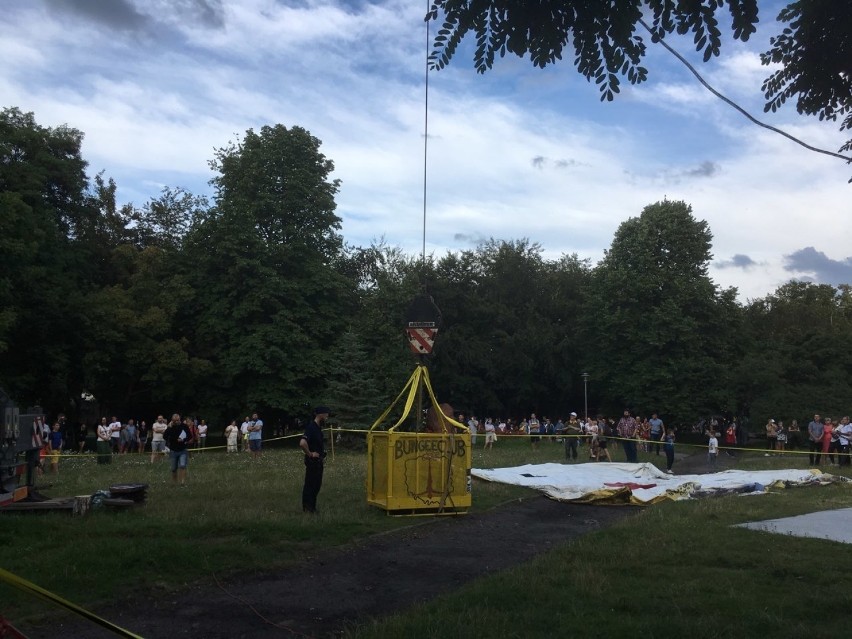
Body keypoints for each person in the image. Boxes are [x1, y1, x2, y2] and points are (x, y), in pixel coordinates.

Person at [300, 406, 329, 513]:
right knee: (310, 484)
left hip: (318, 462)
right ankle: (308, 508)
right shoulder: (311, 427)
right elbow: (302, 443)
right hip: (313, 462)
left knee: (316, 485)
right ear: (320, 414)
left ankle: (312, 507)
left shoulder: (318, 428)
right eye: (326, 413)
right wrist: (310, 454)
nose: (327, 416)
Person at [163, 413, 193, 486]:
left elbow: (190, 436)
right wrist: (168, 427)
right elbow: (165, 437)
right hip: (173, 450)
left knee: (182, 466)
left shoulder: (184, 426)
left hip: (183, 449)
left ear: (180, 419)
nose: (176, 422)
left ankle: (182, 482)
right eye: (175, 421)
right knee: (173, 468)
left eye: (178, 420)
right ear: (172, 421)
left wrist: (183, 439)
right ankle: (174, 483)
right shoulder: (170, 427)